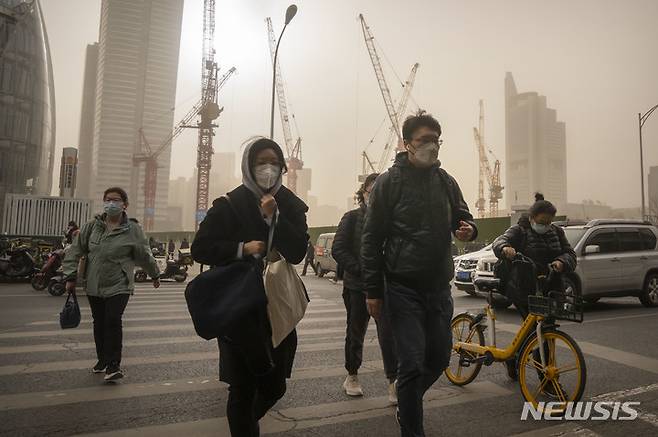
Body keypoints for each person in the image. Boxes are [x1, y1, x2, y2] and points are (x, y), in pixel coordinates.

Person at [361, 111, 478, 437]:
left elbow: (463, 217)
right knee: (410, 364)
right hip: (402, 288)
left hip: (439, 287)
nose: (431, 146)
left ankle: (407, 400)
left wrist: (468, 228)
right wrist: (373, 291)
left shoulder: (446, 182)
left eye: (436, 140)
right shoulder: (389, 182)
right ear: (407, 144)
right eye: (424, 140)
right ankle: (412, 427)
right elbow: (370, 240)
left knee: (439, 358)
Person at [191, 137, 309, 437]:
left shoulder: (291, 204)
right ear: (248, 165)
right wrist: (240, 249)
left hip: (276, 305)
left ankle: (246, 423)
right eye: (260, 162)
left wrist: (275, 218)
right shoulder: (229, 204)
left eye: (273, 162)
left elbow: (297, 252)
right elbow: (200, 248)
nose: (267, 168)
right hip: (239, 306)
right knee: (242, 387)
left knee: (276, 384)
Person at [62, 187, 160, 382]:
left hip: (120, 283)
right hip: (94, 282)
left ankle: (113, 365)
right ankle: (102, 360)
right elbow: (75, 251)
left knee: (113, 320)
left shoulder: (133, 229)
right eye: (108, 200)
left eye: (115, 200)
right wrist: (70, 277)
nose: (111, 203)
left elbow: (144, 254)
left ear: (125, 204)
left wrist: (155, 274)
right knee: (99, 323)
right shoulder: (92, 227)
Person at [492, 193, 577, 380]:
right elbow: (499, 241)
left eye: (549, 222)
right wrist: (505, 248)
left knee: (545, 332)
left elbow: (570, 254)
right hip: (524, 289)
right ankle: (547, 379)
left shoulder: (556, 232)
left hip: (551, 287)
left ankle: (513, 357)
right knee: (538, 333)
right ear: (532, 218)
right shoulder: (519, 230)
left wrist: (562, 261)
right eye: (542, 221)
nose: (545, 226)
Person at [333, 173, 398, 403]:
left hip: (384, 287)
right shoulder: (351, 218)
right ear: (363, 193)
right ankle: (352, 375)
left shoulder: (391, 220)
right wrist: (361, 269)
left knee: (389, 336)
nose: (377, 195)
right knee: (356, 332)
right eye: (372, 190)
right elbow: (338, 249)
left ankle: (393, 382)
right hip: (357, 286)